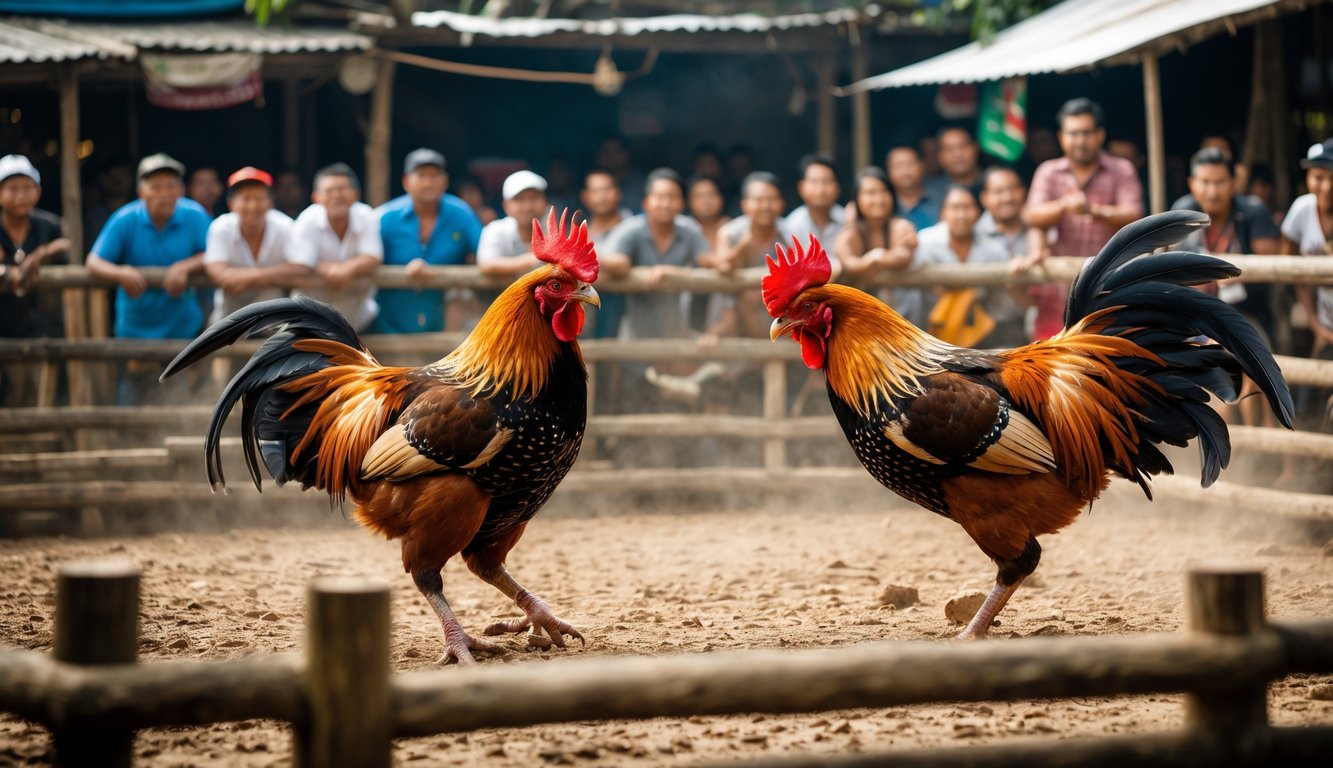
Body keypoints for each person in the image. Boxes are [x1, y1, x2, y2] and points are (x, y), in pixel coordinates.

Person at [86, 152, 211, 403]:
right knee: (130, 395)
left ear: (181, 190)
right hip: (135, 327)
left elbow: (218, 254)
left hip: (181, 327)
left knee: (180, 399)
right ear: (142, 191)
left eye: (171, 185)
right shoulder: (126, 218)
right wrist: (120, 272)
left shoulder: (195, 215)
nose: (164, 192)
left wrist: (186, 266)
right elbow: (93, 262)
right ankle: (123, 440)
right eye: (156, 186)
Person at [1019, 97, 1143, 340]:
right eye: (1073, 133)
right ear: (1061, 137)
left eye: (1087, 133)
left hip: (1111, 291)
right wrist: (1064, 205)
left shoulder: (1121, 169)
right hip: (1058, 295)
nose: (1080, 141)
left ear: (1100, 135)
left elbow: (1134, 214)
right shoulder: (1048, 172)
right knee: (1053, 370)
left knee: (1112, 367)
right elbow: (1031, 215)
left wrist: (1092, 210)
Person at [372, 148, 482, 334]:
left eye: (434, 175)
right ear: (406, 181)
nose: (428, 182)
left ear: (445, 181)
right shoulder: (385, 217)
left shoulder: (461, 214)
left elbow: (486, 254)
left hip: (446, 328)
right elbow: (365, 257)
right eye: (421, 175)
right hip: (389, 326)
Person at [915, 185, 1025, 346]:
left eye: (967, 208)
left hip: (983, 334)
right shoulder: (925, 242)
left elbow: (1003, 298)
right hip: (930, 334)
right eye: (955, 208)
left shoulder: (993, 248)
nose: (961, 215)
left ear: (977, 213)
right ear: (943, 214)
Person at [0, 154, 70, 405]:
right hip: (3, 322)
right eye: (12, 188)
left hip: (39, 322)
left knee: (40, 391)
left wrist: (40, 254)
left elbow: (66, 245)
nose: (21, 195)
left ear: (38, 191)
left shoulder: (48, 225)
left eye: (27, 188)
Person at [202, 167, 306, 324]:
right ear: (231, 203)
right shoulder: (221, 227)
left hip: (273, 319)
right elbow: (218, 272)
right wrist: (273, 274)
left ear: (270, 202)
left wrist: (250, 276)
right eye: (246, 198)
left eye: (259, 198)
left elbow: (301, 267)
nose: (253, 205)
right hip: (229, 315)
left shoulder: (284, 226)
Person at [287, 163, 383, 333]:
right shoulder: (307, 221)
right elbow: (300, 264)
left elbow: (373, 256)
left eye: (342, 189)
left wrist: (347, 269)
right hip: (312, 320)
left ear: (356, 194)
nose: (337, 195)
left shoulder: (366, 215)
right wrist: (327, 269)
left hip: (358, 319)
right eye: (329, 191)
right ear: (316, 197)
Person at [835, 166, 918, 310]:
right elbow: (848, 263)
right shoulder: (850, 231)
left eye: (884, 191)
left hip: (903, 313)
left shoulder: (901, 226)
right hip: (858, 315)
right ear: (857, 199)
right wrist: (872, 259)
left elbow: (904, 256)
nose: (879, 199)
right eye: (871, 193)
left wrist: (877, 258)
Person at [579, 169, 631, 339]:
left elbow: (623, 268)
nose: (602, 196)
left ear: (618, 193)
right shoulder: (581, 231)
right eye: (595, 191)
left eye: (606, 190)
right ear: (585, 196)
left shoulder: (633, 227)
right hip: (588, 314)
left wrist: (586, 254)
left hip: (628, 311)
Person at [476, 169, 549, 278]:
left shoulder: (553, 231)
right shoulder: (496, 230)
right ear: (506, 206)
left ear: (545, 202)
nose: (528, 206)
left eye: (534, 197)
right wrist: (531, 260)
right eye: (519, 199)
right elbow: (487, 264)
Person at [783, 154, 844, 248]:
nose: (821, 189)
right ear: (801, 187)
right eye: (814, 182)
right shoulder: (792, 225)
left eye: (827, 181)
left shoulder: (846, 221)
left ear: (837, 188)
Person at [887, 145, 940, 231]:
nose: (905, 171)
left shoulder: (940, 200)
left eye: (909, 164)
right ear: (889, 171)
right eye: (899, 165)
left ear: (921, 167)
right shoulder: (885, 205)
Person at [925, 126, 983, 200]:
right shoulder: (932, 194)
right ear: (940, 156)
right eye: (950, 149)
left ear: (975, 148)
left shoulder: (992, 184)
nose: (957, 154)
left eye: (963, 146)